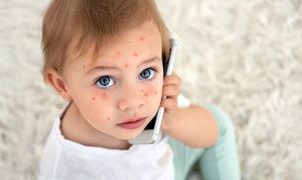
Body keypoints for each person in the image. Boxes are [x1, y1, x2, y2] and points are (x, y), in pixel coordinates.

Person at [38, 0, 240, 179]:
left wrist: (173, 120)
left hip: (167, 168)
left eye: (146, 72)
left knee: (216, 121)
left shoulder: (156, 100)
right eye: (105, 80)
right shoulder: (65, 168)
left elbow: (211, 134)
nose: (134, 101)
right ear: (62, 85)